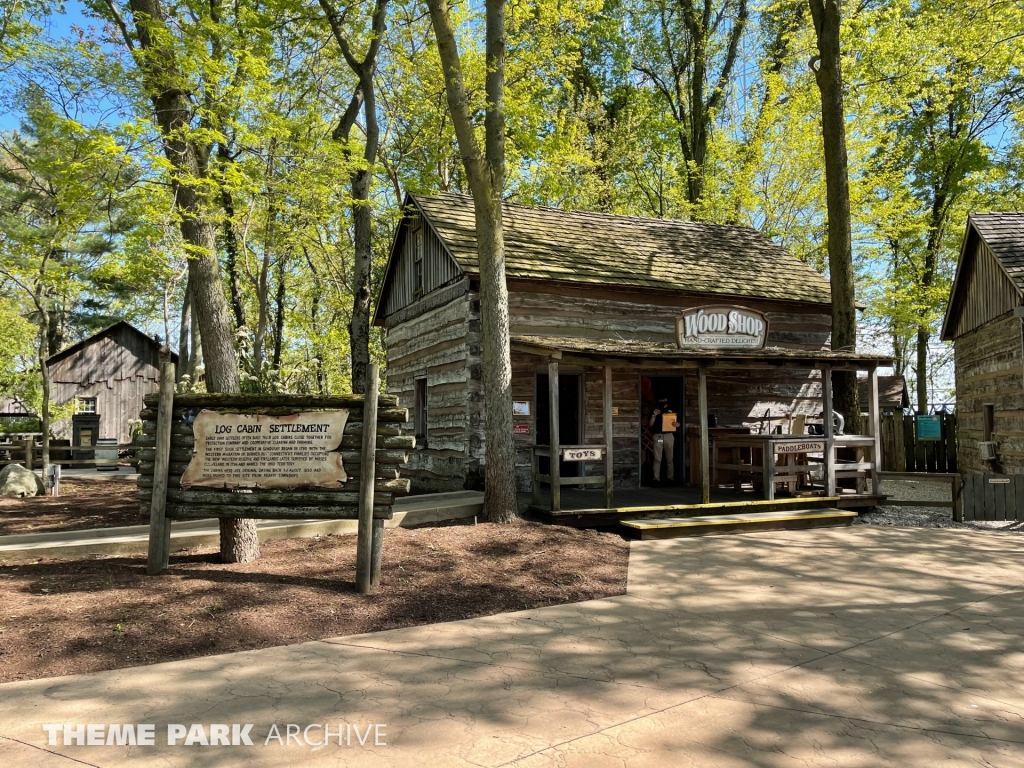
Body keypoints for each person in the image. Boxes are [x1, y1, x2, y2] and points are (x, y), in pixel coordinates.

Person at [649, 395, 678, 485]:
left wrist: (677, 424)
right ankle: (656, 479)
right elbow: (650, 425)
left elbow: (678, 423)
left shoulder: (672, 409)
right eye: (660, 399)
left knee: (670, 459)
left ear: (666, 399)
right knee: (657, 459)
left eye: (664, 399)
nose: (662, 401)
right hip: (658, 436)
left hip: (669, 436)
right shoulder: (655, 409)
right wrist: (654, 415)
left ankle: (670, 478)